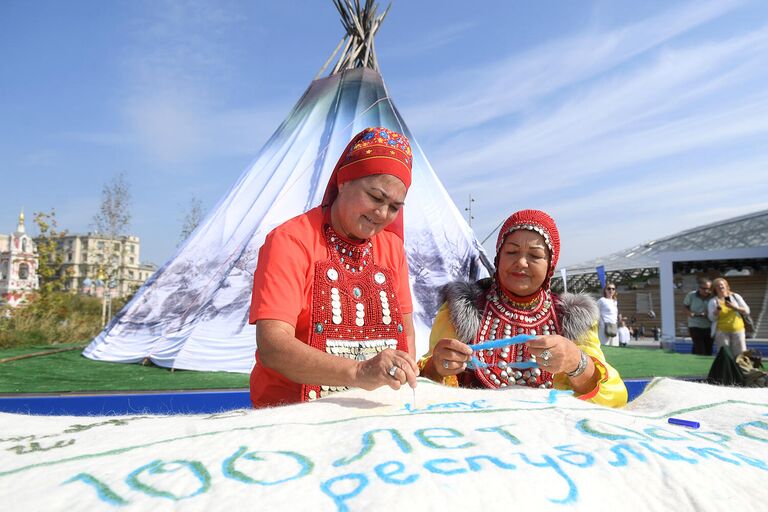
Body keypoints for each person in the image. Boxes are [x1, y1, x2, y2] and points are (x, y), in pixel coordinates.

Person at [248, 127, 419, 408]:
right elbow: (273, 346)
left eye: (394, 207)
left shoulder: (391, 249)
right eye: (375, 197)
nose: (382, 214)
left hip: (374, 411)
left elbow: (407, 333)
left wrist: (401, 371)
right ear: (344, 181)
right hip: (292, 416)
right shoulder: (291, 241)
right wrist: (359, 372)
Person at [419, 209, 627, 408]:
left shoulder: (571, 317)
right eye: (511, 252)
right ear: (498, 258)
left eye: (535, 256)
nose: (521, 262)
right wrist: (437, 366)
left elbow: (614, 396)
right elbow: (425, 385)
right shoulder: (461, 309)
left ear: (550, 266)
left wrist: (577, 363)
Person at [708, 277, 751, 358]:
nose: (720, 287)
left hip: (738, 330)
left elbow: (747, 311)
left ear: (726, 286)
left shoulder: (735, 297)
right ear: (714, 289)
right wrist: (717, 311)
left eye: (722, 285)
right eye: (717, 286)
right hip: (721, 332)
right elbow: (711, 318)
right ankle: (726, 370)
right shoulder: (713, 301)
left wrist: (734, 307)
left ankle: (741, 370)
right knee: (725, 355)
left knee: (740, 355)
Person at [683, 278, 713, 355]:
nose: (706, 291)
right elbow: (685, 306)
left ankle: (694, 362)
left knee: (708, 349)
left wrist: (709, 313)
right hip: (694, 325)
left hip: (709, 326)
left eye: (709, 289)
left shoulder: (713, 297)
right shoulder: (691, 295)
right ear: (699, 288)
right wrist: (689, 312)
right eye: (704, 288)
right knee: (700, 349)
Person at [597, 282, 619, 346]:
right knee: (604, 346)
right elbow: (595, 311)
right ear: (605, 290)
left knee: (614, 346)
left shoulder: (615, 301)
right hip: (604, 326)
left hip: (613, 326)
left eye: (613, 289)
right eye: (609, 288)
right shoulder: (602, 300)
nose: (611, 290)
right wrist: (600, 323)